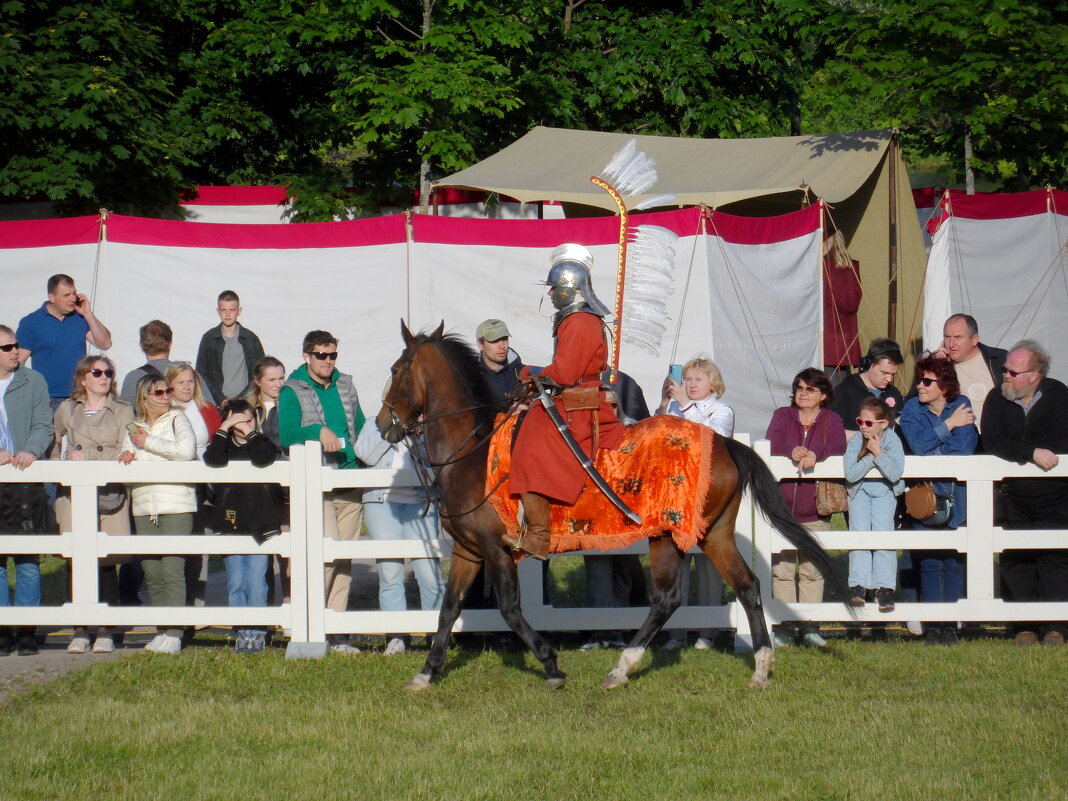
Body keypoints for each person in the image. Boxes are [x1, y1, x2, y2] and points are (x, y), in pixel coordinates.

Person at [507, 243, 624, 560]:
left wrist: (528, 372)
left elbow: (565, 373)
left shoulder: (580, 322)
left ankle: (539, 536)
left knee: (531, 440)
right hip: (575, 398)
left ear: (570, 287)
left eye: (555, 288)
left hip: (579, 405)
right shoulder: (578, 319)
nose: (550, 294)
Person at [278, 330, 366, 654]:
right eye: (321, 355)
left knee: (344, 560)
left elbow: (361, 423)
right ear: (307, 356)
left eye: (332, 355)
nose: (328, 361)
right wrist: (317, 430)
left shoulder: (346, 384)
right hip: (317, 484)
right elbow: (285, 434)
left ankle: (338, 631)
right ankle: (311, 627)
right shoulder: (292, 389)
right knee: (325, 558)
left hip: (350, 478)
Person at [980, 340, 1068, 646]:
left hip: (1055, 496)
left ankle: (1056, 628)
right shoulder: (996, 399)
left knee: (1054, 559)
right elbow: (991, 442)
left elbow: (1061, 441)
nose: (1006, 375)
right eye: (1005, 370)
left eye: (1013, 372)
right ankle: (1023, 627)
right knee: (1016, 559)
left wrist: (1026, 448)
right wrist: (1030, 450)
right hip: (1011, 495)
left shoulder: (1059, 396)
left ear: (1034, 375)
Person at [52, 355, 134, 655]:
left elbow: (128, 450)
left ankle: (105, 628)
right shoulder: (66, 410)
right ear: (82, 378)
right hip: (73, 495)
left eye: (109, 372)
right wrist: (56, 464)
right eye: (97, 372)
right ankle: (80, 627)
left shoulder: (123, 410)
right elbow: (54, 442)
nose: (104, 377)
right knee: (76, 560)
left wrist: (90, 458)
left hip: (109, 495)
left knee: (106, 562)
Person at [899, 355, 978, 646]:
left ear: (944, 385)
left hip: (957, 496)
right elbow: (917, 446)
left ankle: (950, 627)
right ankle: (934, 626)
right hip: (927, 498)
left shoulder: (962, 404)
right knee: (930, 562)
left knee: (954, 562)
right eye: (919, 380)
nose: (920, 386)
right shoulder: (911, 409)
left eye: (927, 381)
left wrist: (938, 445)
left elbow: (964, 450)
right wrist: (950, 425)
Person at [765, 368, 846, 648]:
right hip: (783, 509)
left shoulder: (831, 420)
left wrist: (816, 453)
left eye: (810, 388)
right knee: (783, 569)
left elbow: (837, 444)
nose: (802, 392)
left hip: (816, 509)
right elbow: (771, 442)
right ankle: (785, 627)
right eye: (799, 387)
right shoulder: (782, 416)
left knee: (812, 570)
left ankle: (811, 627)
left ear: (823, 395)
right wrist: (791, 449)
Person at [657, 355, 732, 650]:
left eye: (697, 379)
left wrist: (685, 406)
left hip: (708, 496)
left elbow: (715, 439)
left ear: (713, 383)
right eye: (686, 379)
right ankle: (676, 632)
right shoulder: (675, 407)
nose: (690, 385)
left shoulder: (722, 410)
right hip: (676, 493)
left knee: (709, 564)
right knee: (677, 563)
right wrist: (664, 405)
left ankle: (708, 632)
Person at [119, 373, 197, 654]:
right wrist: (127, 458)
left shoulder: (178, 419)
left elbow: (186, 452)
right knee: (151, 571)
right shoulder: (134, 427)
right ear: (144, 397)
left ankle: (175, 633)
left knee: (172, 569)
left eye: (167, 391)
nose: (166, 397)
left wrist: (148, 443)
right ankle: (162, 629)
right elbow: (129, 454)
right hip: (143, 505)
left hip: (176, 504)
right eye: (159, 393)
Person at [355, 417, 445, 655]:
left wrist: (418, 435)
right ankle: (396, 635)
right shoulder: (374, 424)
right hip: (381, 503)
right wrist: (391, 430)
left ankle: (436, 633)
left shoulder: (428, 425)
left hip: (421, 503)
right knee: (389, 571)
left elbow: (439, 460)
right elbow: (365, 454)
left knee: (429, 571)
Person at [203, 399, 282, 654]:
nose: (243, 425)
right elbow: (212, 460)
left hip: (260, 525)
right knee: (236, 581)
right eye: (237, 420)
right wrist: (224, 428)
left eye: (248, 419)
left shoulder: (261, 443)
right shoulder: (223, 447)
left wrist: (250, 432)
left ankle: (257, 633)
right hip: (231, 523)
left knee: (257, 581)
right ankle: (242, 633)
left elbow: (264, 459)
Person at [580, 370, 651, 651]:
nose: (609, 408)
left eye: (613, 404)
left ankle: (618, 630)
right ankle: (600, 630)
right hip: (596, 511)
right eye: (603, 405)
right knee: (598, 570)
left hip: (624, 510)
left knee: (623, 569)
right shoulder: (585, 436)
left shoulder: (632, 430)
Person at [0, 324, 53, 656]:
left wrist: (31, 450)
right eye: (7, 348)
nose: (15, 351)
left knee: (28, 558)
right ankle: (3, 629)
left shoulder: (34, 381)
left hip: (25, 478)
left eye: (16, 346)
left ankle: (28, 630)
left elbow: (43, 423)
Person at [844, 396, 905, 617]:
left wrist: (878, 452)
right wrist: (870, 457)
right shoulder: (855, 442)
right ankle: (858, 584)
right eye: (860, 421)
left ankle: (884, 587)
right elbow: (850, 474)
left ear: (883, 423)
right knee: (858, 535)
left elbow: (895, 473)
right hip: (859, 492)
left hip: (885, 493)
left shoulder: (892, 440)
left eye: (868, 423)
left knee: (883, 537)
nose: (863, 427)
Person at [16, 274, 112, 404]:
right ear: (52, 297)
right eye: (66, 295)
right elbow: (18, 362)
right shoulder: (31, 323)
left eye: (74, 293)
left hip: (81, 397)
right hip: (47, 399)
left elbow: (105, 343)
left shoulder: (80, 318)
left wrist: (88, 314)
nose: (73, 299)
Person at [245, 356, 289, 603]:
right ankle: (264, 616)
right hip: (257, 492)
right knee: (260, 556)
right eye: (272, 379)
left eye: (282, 378)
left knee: (288, 554)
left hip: (284, 491)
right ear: (258, 381)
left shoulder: (291, 407)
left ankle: (291, 611)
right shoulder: (249, 410)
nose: (278, 384)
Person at [931, 313, 1007, 430]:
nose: (951, 344)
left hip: (998, 439)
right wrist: (936, 368)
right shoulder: (937, 366)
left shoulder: (1000, 359)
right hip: (959, 441)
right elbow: (918, 402)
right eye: (947, 337)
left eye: (958, 337)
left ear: (974, 340)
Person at [120, 320, 213, 406]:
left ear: (141, 346)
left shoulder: (133, 378)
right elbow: (210, 408)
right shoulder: (190, 375)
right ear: (170, 344)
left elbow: (127, 417)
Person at [196, 290, 266, 404]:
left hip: (247, 403)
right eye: (224, 310)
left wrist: (243, 399)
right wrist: (221, 400)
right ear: (218, 311)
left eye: (232, 310)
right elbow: (201, 374)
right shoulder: (208, 339)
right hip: (216, 404)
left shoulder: (251, 339)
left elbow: (259, 373)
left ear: (239, 311)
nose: (227, 314)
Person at [828, 338, 904, 441]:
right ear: (869, 365)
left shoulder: (893, 393)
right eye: (884, 373)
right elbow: (831, 432)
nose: (889, 379)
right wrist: (865, 438)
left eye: (893, 374)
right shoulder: (844, 392)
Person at [822, 230, 863, 384]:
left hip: (827, 338)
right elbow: (852, 302)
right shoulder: (850, 267)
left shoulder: (823, 266)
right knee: (841, 383)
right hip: (845, 337)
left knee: (828, 388)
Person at [475, 318, 525, 400]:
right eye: (494, 340)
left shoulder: (522, 372)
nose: (502, 346)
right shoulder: (472, 378)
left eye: (504, 339)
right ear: (480, 344)